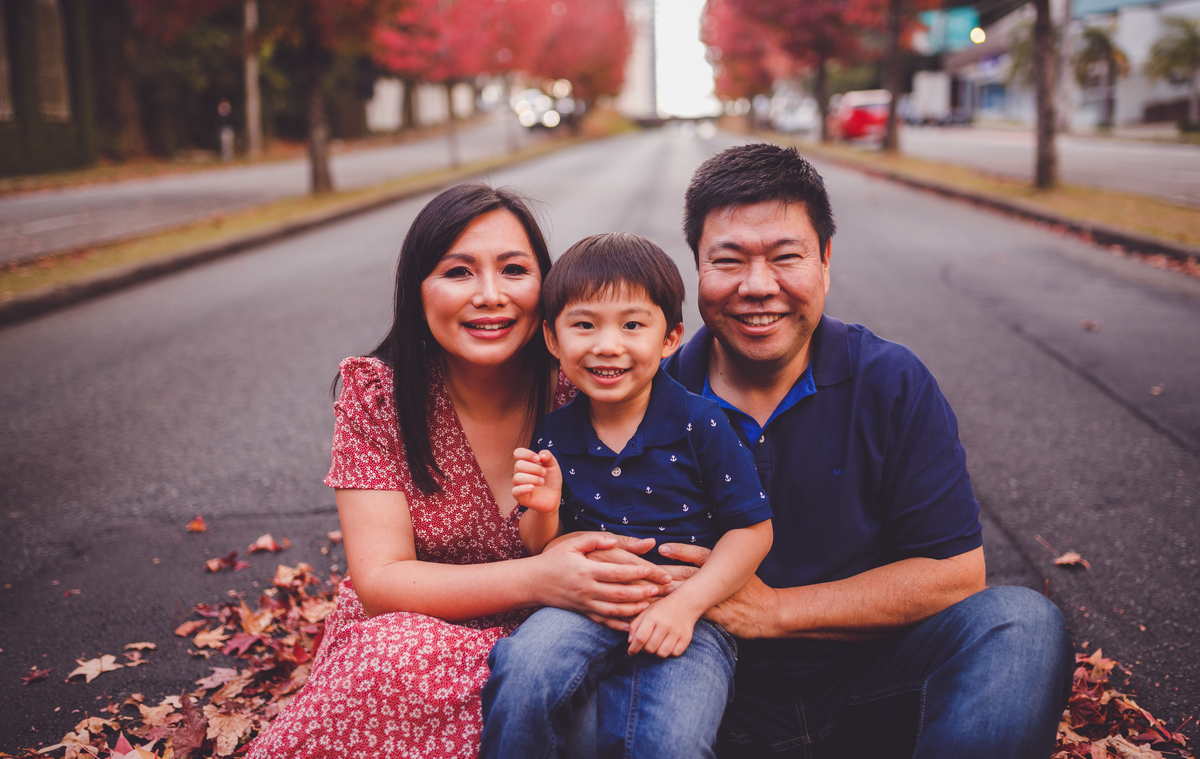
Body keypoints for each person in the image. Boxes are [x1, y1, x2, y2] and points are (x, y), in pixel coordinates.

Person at [650, 143, 1075, 758]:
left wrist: (776, 611)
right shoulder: (648, 399)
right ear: (697, 267)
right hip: (703, 700)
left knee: (1023, 625)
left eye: (786, 257)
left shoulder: (890, 381)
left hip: (872, 690)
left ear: (825, 260)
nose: (758, 286)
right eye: (728, 260)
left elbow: (954, 575)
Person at [246, 184, 673, 759]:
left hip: (561, 639)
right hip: (417, 643)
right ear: (417, 290)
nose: (490, 296)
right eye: (458, 272)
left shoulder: (593, 384)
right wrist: (539, 577)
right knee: (392, 659)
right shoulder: (380, 396)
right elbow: (381, 582)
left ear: (546, 286)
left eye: (514, 270)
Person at [480, 233, 773, 758]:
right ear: (552, 338)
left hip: (691, 614)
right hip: (583, 604)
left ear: (670, 338)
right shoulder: (554, 433)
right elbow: (541, 547)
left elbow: (752, 530)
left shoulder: (701, 423)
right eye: (584, 325)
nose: (608, 345)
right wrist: (543, 511)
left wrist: (687, 605)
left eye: (632, 325)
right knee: (523, 671)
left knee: (671, 740)